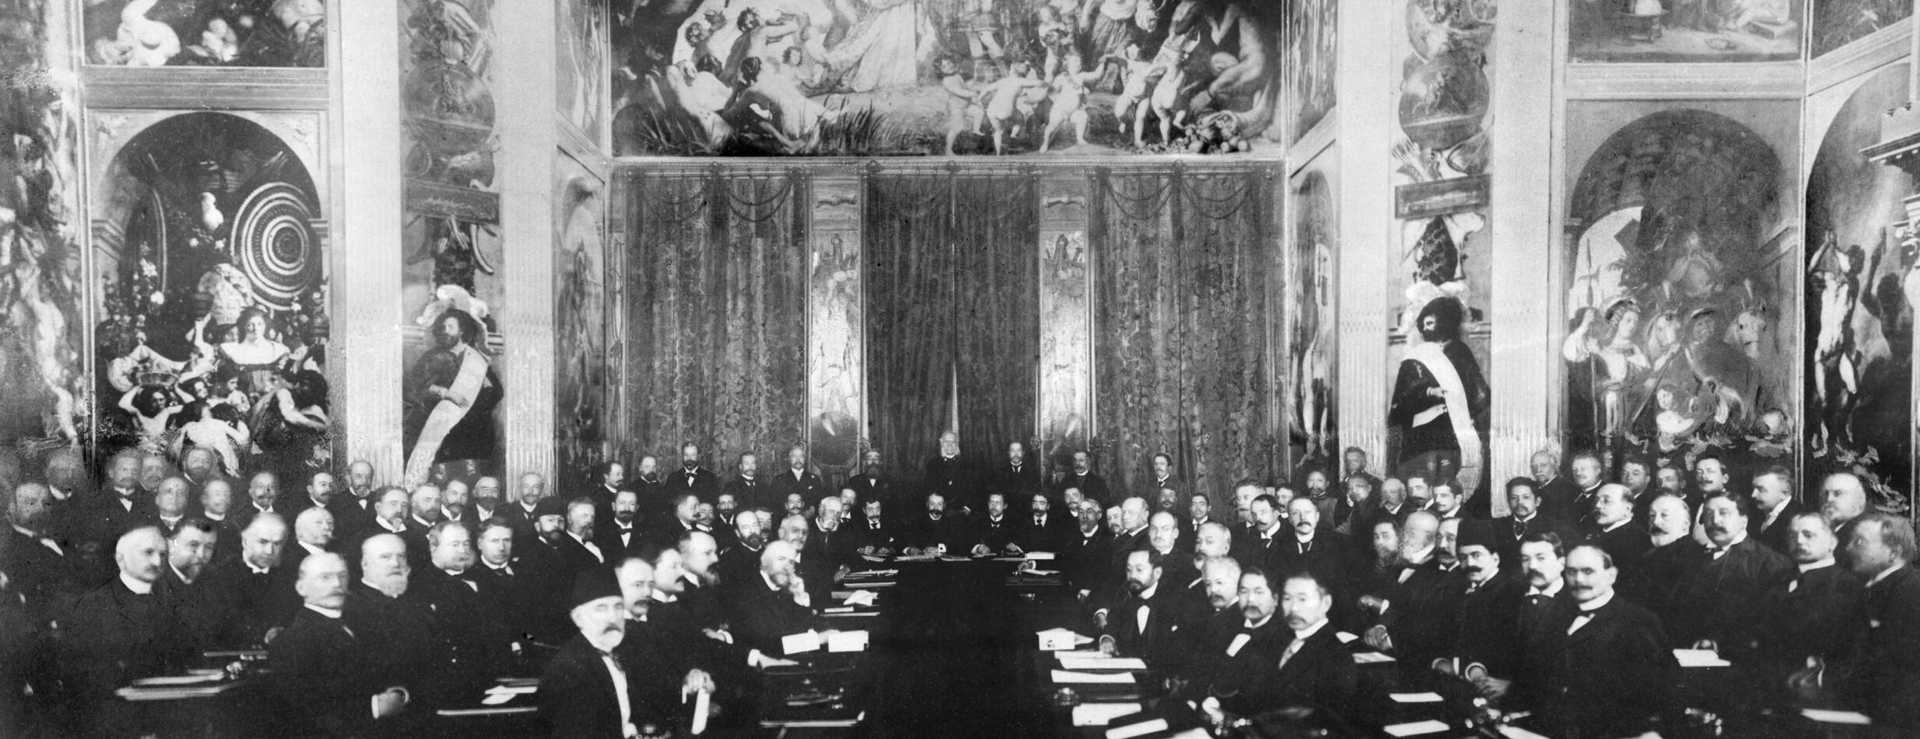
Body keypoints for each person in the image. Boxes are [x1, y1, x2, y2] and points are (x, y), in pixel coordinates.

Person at [1530, 545, 1678, 738]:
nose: (1579, 580)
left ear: (1611, 576)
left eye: (1588, 571)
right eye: (1571, 572)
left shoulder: (1638, 621)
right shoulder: (1553, 616)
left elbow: (1667, 690)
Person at [56, 527, 187, 727]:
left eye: (162, 554)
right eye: (148, 553)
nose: (157, 562)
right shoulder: (93, 606)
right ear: (121, 559)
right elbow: (84, 679)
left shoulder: (172, 604)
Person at [269, 552, 411, 737]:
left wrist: (398, 693)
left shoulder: (359, 626)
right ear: (301, 588)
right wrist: (375, 708)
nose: (337, 584)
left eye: (342, 576)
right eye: (325, 577)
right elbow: (302, 712)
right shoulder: (291, 640)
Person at [1204, 571, 1358, 724]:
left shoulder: (1336, 657)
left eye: (1302, 599)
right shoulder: (1277, 640)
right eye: (1287, 598)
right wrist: (1220, 708)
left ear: (1326, 603)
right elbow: (1251, 696)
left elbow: (1323, 722)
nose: (1293, 608)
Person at [1813, 513, 1920, 728]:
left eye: (1859, 542)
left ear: (1894, 552)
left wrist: (1824, 680)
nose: (1848, 548)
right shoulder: (1869, 589)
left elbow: (1893, 665)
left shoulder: (1911, 591)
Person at [539, 566, 661, 738]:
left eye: (618, 606)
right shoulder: (568, 668)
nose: (613, 617)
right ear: (578, 618)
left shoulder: (624, 653)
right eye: (601, 608)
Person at [1668, 493, 1791, 661]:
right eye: (1709, 514)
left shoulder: (1771, 564)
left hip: (1742, 662)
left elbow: (1772, 626)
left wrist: (1719, 643)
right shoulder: (1685, 558)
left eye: (1724, 513)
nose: (1715, 521)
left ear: (1743, 520)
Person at [1388, 297, 1489, 497]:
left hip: (1451, 433)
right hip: (1420, 435)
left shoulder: (1460, 352)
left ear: (1445, 322)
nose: (1426, 329)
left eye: (1431, 323)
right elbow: (1400, 401)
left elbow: (1480, 394)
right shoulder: (1416, 357)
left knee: (1447, 486)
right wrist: (1427, 393)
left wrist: (1466, 413)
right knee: (1419, 488)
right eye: (1423, 324)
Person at [1757, 512, 1863, 686]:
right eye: (1793, 535)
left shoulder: (1846, 585)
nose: (1798, 541)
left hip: (1809, 685)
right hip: (1767, 679)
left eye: (1808, 535)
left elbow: (1849, 651)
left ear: (1832, 542)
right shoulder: (1778, 578)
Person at [402, 309, 501, 485]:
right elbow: (413, 386)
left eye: (451, 326)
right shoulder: (432, 357)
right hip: (438, 430)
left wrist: (486, 386)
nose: (445, 330)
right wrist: (445, 393)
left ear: (462, 330)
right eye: (443, 327)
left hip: (470, 433)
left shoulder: (477, 360)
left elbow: (496, 393)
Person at [1359, 511, 1460, 666]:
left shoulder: (1465, 577)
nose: (1442, 544)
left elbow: (1436, 629)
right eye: (1439, 538)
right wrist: (1381, 627)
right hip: (1407, 653)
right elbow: (1399, 606)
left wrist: (1392, 640)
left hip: (1434, 659)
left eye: (1451, 538)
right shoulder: (1425, 569)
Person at [345, 534, 433, 699]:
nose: (395, 563)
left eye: (401, 556)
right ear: (365, 564)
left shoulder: (419, 603)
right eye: (385, 557)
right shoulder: (350, 607)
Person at [1446, 520, 1522, 678]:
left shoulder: (1511, 592)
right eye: (1462, 557)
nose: (1469, 563)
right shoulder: (1459, 588)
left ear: (1495, 558)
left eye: (1476, 555)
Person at [1098, 549, 1185, 667]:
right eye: (1129, 570)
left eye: (1139, 570)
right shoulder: (1124, 596)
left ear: (1157, 573)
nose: (1132, 576)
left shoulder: (1174, 601)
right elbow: (1112, 626)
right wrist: (1107, 639)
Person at [733, 540, 816, 655]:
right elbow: (769, 644)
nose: (787, 567)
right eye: (781, 559)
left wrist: (799, 597)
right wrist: (817, 640)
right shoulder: (747, 592)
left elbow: (802, 629)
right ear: (765, 563)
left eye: (791, 562)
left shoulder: (783, 590)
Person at [1584, 484, 1649, 579]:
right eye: (1596, 500)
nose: (1597, 506)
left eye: (1606, 501)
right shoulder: (1595, 531)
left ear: (1627, 509)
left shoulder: (1638, 541)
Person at [1748, 466, 1799, 555]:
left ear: (1784, 493)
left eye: (1761, 489)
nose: (1753, 495)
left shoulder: (1798, 517)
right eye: (1753, 489)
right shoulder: (1755, 514)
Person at [923, 432, 977, 512]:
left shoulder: (967, 464)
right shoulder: (932, 464)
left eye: (953, 442)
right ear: (941, 443)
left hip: (962, 512)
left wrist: (967, 507)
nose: (949, 444)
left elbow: (973, 489)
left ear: (957, 443)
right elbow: (928, 489)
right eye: (946, 441)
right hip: (939, 511)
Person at [969, 492, 1018, 556]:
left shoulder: (1015, 524)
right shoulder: (976, 523)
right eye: (991, 502)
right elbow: (967, 544)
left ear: (1005, 506)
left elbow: (1022, 545)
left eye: (998, 503)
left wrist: (1015, 548)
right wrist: (977, 548)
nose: (994, 506)